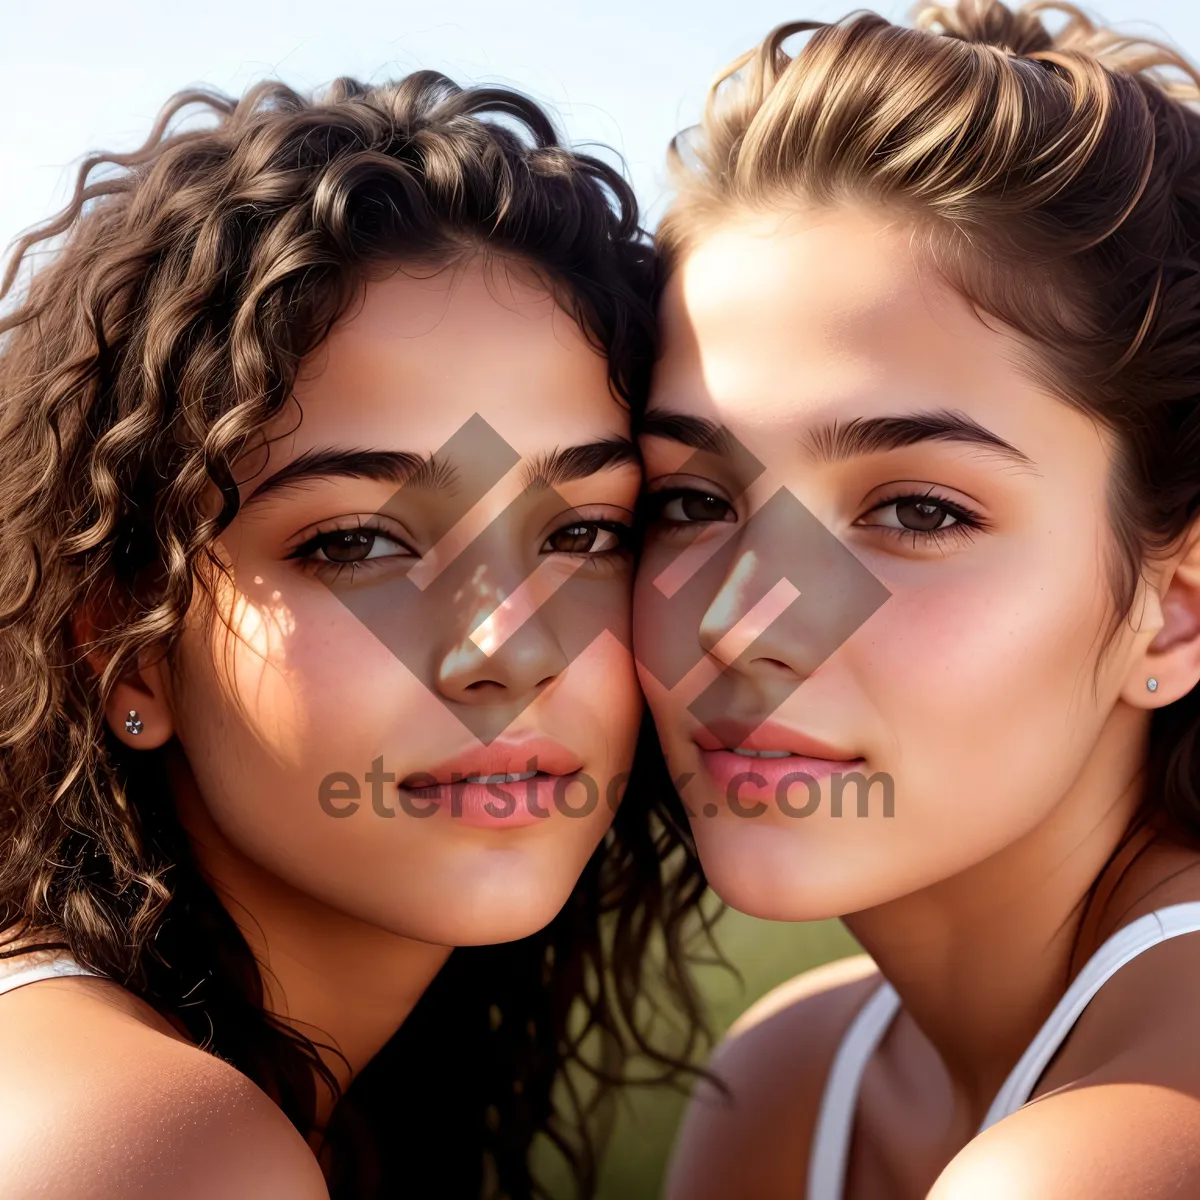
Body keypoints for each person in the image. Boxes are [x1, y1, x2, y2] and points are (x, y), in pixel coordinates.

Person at [0, 71, 707, 1199]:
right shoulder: (153, 1145)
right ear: (124, 645)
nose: (507, 648)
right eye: (358, 543)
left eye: (581, 533)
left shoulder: (330, 1110)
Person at [634, 1, 1200, 1195]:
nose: (741, 619)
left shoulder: (1113, 1154)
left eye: (919, 512)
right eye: (691, 501)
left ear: (1178, 604)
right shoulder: (791, 1082)